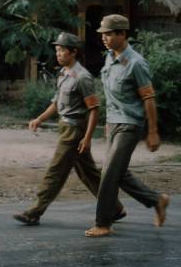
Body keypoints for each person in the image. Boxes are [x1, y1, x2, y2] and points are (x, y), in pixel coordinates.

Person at [13, 32, 124, 226]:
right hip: (66, 127)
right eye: (57, 50)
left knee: (55, 172)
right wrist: (39, 119)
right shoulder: (64, 74)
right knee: (88, 173)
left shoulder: (82, 77)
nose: (58, 54)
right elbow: (56, 104)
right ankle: (114, 207)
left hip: (74, 131)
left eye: (62, 50)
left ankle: (35, 211)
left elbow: (93, 109)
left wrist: (87, 137)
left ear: (73, 52)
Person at [84, 14, 170, 237]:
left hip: (130, 125)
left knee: (109, 173)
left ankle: (103, 222)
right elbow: (111, 96)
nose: (104, 38)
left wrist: (152, 132)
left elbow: (149, 99)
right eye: (103, 34)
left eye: (109, 34)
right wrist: (107, 122)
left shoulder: (136, 63)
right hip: (114, 123)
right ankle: (157, 200)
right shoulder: (110, 58)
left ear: (122, 34)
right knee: (119, 173)